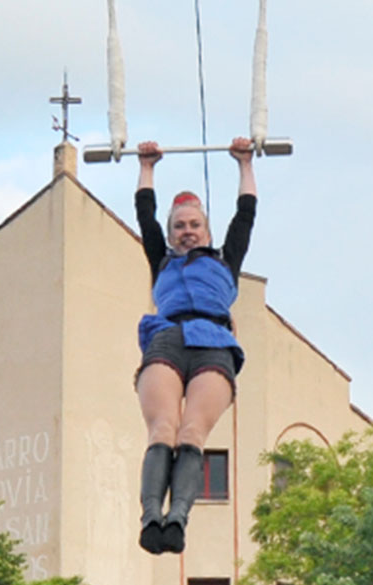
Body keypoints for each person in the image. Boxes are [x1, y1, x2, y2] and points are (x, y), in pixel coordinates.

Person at [131, 136, 259, 554]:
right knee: (162, 428)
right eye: (180, 227)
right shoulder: (161, 259)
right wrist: (147, 166)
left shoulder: (225, 260)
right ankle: (152, 517)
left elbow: (246, 215)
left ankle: (178, 519)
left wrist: (244, 164)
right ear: (171, 235)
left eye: (194, 225)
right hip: (167, 337)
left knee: (192, 432)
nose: (187, 232)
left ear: (206, 229)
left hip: (214, 342)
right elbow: (145, 216)